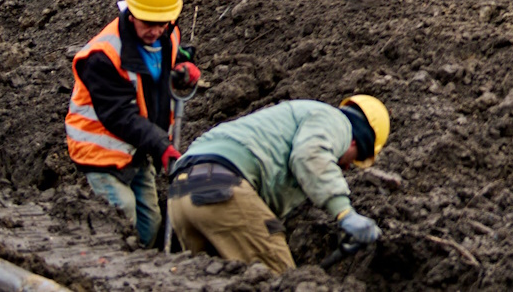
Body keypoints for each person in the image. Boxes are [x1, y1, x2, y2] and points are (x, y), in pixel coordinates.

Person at [166, 96, 390, 273]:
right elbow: (309, 155)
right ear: (355, 141)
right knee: (280, 280)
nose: (348, 167)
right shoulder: (336, 121)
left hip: (180, 194)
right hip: (221, 190)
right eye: (356, 158)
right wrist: (344, 213)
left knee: (215, 280)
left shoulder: (292, 119)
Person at [66, 0, 201, 247]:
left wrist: (180, 67)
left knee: (149, 223)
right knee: (122, 214)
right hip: (101, 150)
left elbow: (163, 60)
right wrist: (161, 145)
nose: (155, 30)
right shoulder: (102, 56)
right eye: (148, 23)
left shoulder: (166, 34)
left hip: (138, 150)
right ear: (131, 13)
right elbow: (119, 115)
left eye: (162, 23)